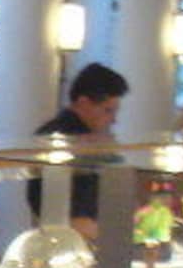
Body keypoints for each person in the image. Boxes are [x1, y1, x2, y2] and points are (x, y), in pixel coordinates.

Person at [30, 62, 128, 240]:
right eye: (108, 110)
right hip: (70, 237)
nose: (113, 120)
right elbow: (49, 203)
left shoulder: (94, 141)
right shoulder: (58, 140)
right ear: (83, 103)